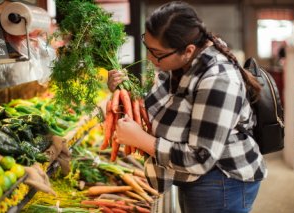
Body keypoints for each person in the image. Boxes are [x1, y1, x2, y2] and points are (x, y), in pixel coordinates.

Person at [107, 1, 267, 212]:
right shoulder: (181, 62)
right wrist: (122, 91)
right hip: (194, 177)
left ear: (188, 50)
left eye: (157, 53)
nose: (150, 58)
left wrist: (141, 140)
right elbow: (160, 107)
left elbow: (200, 158)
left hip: (222, 182)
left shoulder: (218, 80)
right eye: (148, 46)